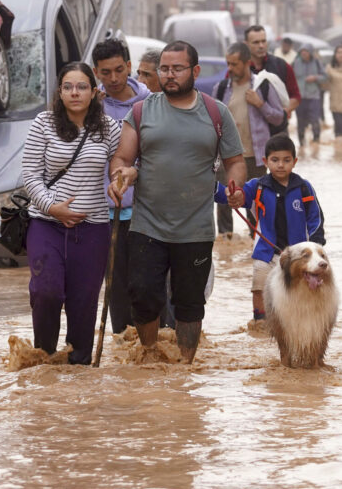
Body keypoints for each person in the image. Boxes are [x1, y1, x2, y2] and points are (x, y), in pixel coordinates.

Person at [108, 40, 249, 364]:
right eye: (165, 69)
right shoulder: (142, 111)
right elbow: (122, 158)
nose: (169, 75)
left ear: (195, 71)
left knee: (189, 303)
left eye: (177, 69)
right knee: (142, 295)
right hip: (147, 225)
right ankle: (149, 356)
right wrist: (122, 176)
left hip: (196, 228)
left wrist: (235, 187)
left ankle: (185, 367)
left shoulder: (216, 113)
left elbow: (236, 162)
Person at [22, 62, 121, 365]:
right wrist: (53, 207)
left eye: (81, 87)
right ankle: (45, 358)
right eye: (68, 87)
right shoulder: (44, 123)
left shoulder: (109, 128)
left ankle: (78, 369)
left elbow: (124, 164)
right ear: (60, 91)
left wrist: (119, 181)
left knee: (84, 302)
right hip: (46, 224)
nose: (74, 93)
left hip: (92, 230)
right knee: (46, 291)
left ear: (94, 92)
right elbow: (30, 175)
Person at [214, 133, 324, 327]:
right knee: (259, 287)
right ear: (265, 161)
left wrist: (315, 246)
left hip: (298, 256)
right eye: (275, 160)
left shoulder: (304, 188)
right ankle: (260, 323)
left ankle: (299, 324)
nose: (280, 165)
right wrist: (221, 191)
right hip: (266, 252)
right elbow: (236, 196)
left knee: (301, 290)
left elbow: (316, 219)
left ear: (295, 162)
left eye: (286, 160)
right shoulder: (257, 187)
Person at [92, 38, 150, 335]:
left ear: (129, 66)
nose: (113, 79)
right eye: (105, 72)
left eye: (118, 70)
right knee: (114, 288)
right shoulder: (91, 107)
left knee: (146, 285)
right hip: (105, 213)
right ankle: (123, 350)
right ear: (96, 72)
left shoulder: (149, 103)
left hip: (146, 212)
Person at [215, 42, 285, 235]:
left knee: (255, 203)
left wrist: (260, 103)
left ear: (247, 63)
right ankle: (226, 245)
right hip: (227, 156)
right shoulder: (221, 88)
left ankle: (257, 243)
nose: (230, 68)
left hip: (255, 156)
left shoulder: (262, 86)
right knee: (223, 202)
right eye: (228, 63)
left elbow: (279, 117)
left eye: (234, 64)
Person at [244, 25, 300, 133]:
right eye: (256, 42)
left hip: (277, 130)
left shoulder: (281, 66)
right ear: (246, 44)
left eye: (263, 41)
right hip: (250, 131)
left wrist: (283, 112)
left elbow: (295, 96)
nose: (261, 46)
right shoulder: (240, 69)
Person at [292, 45, 327, 147]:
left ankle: (316, 143)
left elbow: (325, 77)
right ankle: (301, 145)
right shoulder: (296, 63)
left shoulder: (316, 62)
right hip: (300, 97)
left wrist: (315, 77)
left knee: (315, 120)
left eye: (306, 51)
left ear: (310, 53)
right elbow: (289, 77)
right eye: (302, 51)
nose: (304, 53)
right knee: (300, 122)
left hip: (314, 97)